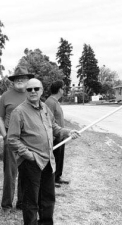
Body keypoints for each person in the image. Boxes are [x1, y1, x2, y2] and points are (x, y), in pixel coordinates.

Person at [7, 78, 80, 225]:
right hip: (31, 163)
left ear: (41, 90)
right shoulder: (19, 112)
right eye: (29, 89)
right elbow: (12, 139)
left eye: (36, 89)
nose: (33, 91)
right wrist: (29, 155)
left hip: (48, 161)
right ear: (26, 92)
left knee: (48, 199)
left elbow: (54, 128)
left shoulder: (45, 108)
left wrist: (68, 132)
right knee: (31, 201)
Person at [0, 66, 34, 213]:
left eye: (22, 78)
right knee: (10, 173)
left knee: (26, 171)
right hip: (10, 138)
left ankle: (22, 203)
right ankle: (6, 205)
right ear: (13, 81)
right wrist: (5, 137)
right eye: (17, 78)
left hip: (27, 139)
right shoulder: (5, 95)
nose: (19, 80)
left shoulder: (32, 94)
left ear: (27, 80)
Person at [45, 80, 69, 187]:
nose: (64, 90)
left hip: (60, 135)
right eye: (63, 88)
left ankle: (58, 177)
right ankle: (51, 179)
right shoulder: (50, 102)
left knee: (60, 157)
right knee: (54, 157)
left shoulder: (56, 102)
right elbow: (47, 120)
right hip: (55, 136)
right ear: (59, 89)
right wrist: (52, 136)